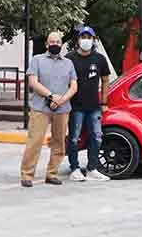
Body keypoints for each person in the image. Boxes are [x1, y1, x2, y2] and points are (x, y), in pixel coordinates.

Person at [20, 31, 78, 187]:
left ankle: (52, 173)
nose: (55, 45)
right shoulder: (37, 60)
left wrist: (61, 100)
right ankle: (27, 175)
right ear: (46, 44)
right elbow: (33, 82)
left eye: (58, 42)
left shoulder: (68, 63)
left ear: (61, 44)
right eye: (52, 42)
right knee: (35, 141)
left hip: (62, 108)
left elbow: (73, 86)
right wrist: (51, 96)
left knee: (59, 142)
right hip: (40, 108)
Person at [66, 26, 111, 182]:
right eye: (83, 36)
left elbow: (106, 81)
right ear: (78, 40)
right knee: (74, 138)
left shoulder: (100, 59)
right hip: (75, 106)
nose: (86, 40)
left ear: (93, 40)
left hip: (94, 107)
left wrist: (104, 102)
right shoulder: (69, 58)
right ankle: (74, 168)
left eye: (88, 37)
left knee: (97, 137)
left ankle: (92, 168)